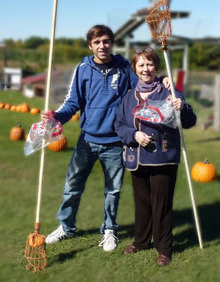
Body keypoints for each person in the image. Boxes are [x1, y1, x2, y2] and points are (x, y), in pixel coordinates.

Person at [42, 25, 170, 252]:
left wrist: (163, 81)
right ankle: (66, 226)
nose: (102, 46)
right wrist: (56, 117)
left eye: (106, 41)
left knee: (113, 190)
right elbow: (73, 103)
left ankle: (109, 230)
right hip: (87, 140)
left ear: (112, 43)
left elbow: (144, 83)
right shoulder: (83, 69)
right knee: (72, 186)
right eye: (97, 42)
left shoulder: (123, 68)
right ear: (90, 45)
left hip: (115, 142)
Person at [114, 47, 197, 264]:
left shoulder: (169, 92)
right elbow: (120, 125)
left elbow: (189, 122)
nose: (145, 69)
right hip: (136, 157)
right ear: (135, 68)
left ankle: (164, 248)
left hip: (164, 156)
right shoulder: (128, 97)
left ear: (156, 66)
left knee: (161, 204)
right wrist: (134, 134)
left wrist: (183, 108)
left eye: (149, 64)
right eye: (141, 65)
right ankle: (141, 241)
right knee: (141, 203)